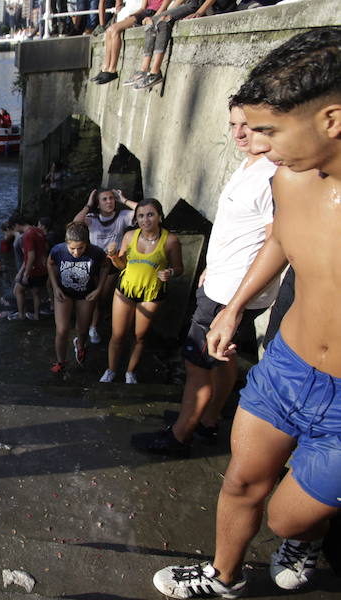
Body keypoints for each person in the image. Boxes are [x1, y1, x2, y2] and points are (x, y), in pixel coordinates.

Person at [151, 28, 341, 599]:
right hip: (287, 367)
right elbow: (283, 236)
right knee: (239, 482)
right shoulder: (289, 178)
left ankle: (301, 536)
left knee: (286, 517)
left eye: (268, 130)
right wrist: (233, 308)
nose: (257, 143)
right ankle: (222, 577)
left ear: (331, 120)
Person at [132, 102, 278, 458]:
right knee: (224, 358)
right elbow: (243, 232)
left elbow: (278, 241)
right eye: (233, 124)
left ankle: (181, 435)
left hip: (230, 295)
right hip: (224, 284)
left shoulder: (273, 173)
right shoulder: (251, 165)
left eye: (249, 125)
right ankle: (207, 419)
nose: (239, 133)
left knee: (196, 362)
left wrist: (235, 305)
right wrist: (213, 265)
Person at [100, 198, 183, 383]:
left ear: (159, 217)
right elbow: (122, 265)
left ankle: (130, 372)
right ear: (136, 219)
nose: (146, 220)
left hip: (152, 294)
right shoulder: (130, 236)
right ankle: (111, 370)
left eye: (150, 215)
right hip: (125, 290)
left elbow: (179, 268)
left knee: (140, 336)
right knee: (118, 335)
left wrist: (170, 272)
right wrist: (113, 256)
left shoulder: (170, 241)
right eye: (141, 216)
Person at [73, 188, 138, 343]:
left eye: (111, 198)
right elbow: (76, 222)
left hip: (112, 261)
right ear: (98, 203)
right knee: (88, 296)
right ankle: (83, 326)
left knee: (102, 296)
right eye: (104, 199)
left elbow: (144, 210)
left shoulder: (122, 216)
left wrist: (124, 200)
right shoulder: (92, 218)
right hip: (94, 262)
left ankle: (94, 327)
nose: (109, 201)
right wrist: (88, 205)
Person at [47, 222, 108, 373]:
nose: (76, 252)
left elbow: (106, 266)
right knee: (62, 330)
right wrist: (54, 287)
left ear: (87, 243)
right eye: (72, 248)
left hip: (85, 294)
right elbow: (49, 263)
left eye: (80, 248)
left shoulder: (96, 252)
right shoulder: (58, 250)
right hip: (63, 293)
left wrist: (99, 289)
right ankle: (60, 361)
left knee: (82, 329)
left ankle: (80, 346)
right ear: (66, 243)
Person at [124, 0, 222, 90]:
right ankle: (144, 69)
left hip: (209, 7)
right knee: (151, 21)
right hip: (193, 4)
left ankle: (155, 72)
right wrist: (169, 11)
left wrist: (200, 12)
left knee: (162, 21)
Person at [91, 0, 169, 85]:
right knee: (109, 31)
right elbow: (143, 8)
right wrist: (133, 15)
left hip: (154, 13)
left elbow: (164, 5)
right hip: (145, 13)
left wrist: (156, 16)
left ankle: (112, 69)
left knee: (114, 30)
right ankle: (105, 67)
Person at [9, 216, 51, 321]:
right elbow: (46, 248)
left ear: (16, 225)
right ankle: (36, 316)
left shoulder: (27, 235)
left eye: (13, 228)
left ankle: (21, 315)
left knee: (18, 291)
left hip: (33, 271)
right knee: (36, 293)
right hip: (43, 269)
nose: (15, 231)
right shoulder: (38, 230)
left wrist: (25, 274)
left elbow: (30, 256)